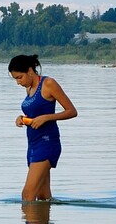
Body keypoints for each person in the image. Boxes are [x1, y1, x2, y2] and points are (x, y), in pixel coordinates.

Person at [8, 54, 77, 202]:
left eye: (19, 77)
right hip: (33, 143)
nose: (18, 82)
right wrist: (22, 118)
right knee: (43, 196)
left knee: (27, 195)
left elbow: (72, 111)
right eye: (15, 79)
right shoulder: (29, 88)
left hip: (47, 142)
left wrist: (46, 117)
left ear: (30, 71)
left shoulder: (48, 84)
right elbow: (34, 114)